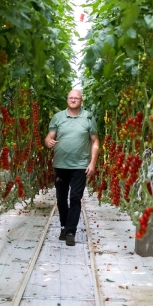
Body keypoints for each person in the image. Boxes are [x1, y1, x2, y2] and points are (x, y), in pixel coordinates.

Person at [45, 89, 99, 246]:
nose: (73, 100)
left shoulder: (88, 117)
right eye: (71, 98)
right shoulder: (58, 117)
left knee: (75, 198)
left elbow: (95, 141)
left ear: (82, 100)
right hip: (61, 164)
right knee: (61, 198)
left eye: (76, 98)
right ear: (67, 100)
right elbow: (50, 136)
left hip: (80, 165)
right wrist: (48, 141)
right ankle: (64, 226)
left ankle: (70, 231)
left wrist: (92, 162)